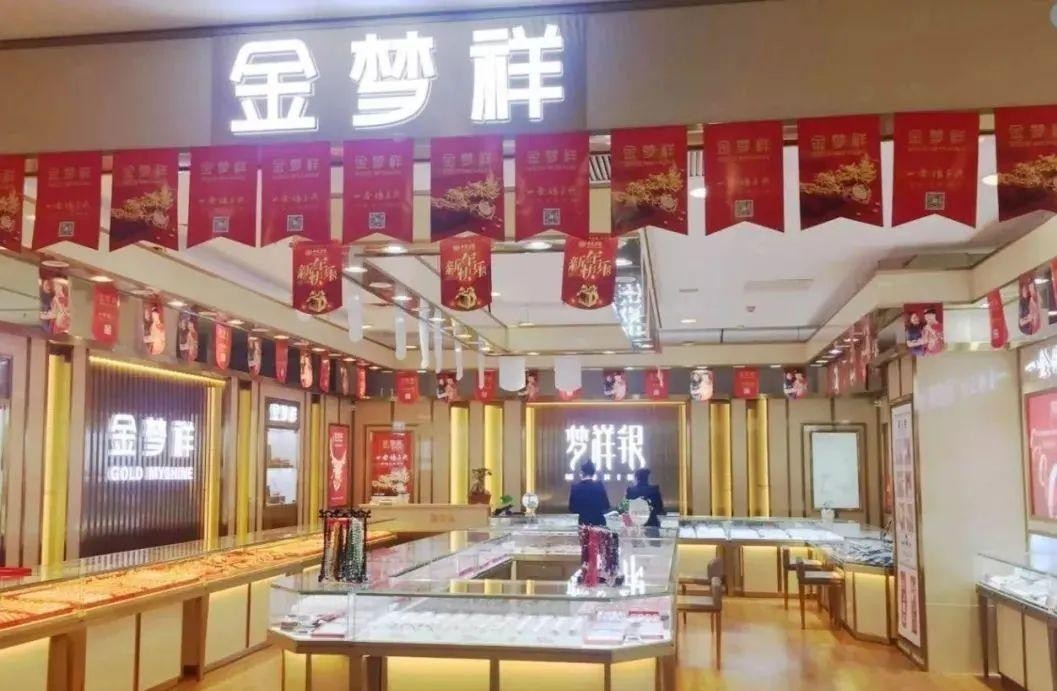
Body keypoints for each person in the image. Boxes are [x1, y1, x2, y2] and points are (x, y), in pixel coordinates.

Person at [568, 460, 610, 526]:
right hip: (599, 524)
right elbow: (606, 506)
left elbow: (572, 508)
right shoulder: (599, 486)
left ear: (582, 473)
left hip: (583, 525)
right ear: (593, 473)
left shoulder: (575, 488)